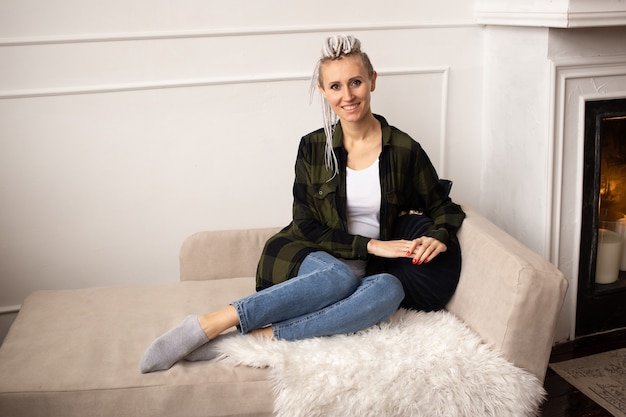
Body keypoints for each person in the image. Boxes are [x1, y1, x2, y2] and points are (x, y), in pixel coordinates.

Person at [140, 34, 465, 373]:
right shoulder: (312, 148)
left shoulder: (404, 149)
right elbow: (305, 225)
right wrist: (372, 245)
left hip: (365, 271)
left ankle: (263, 336)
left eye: (355, 82)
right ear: (324, 92)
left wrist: (438, 235)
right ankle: (211, 322)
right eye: (335, 86)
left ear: (372, 81)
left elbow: (445, 207)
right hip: (304, 256)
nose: (348, 95)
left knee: (390, 289)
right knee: (340, 276)